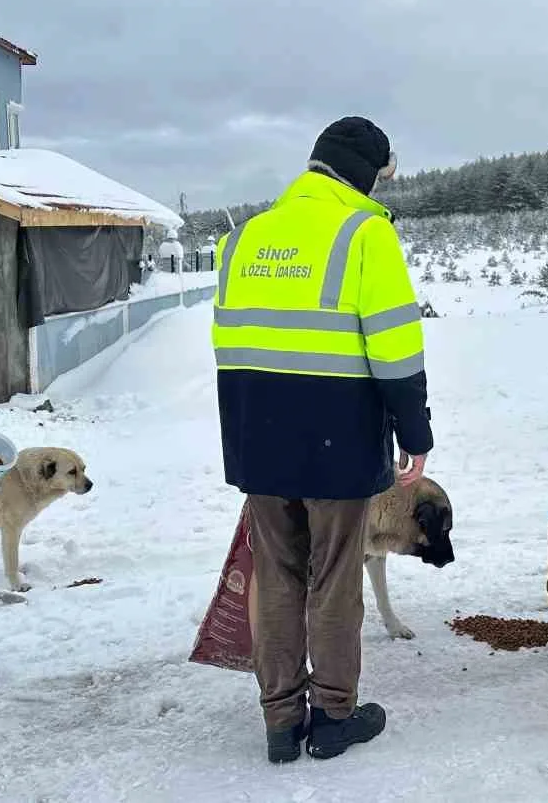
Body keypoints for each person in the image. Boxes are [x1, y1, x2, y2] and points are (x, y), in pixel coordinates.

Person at [211, 116, 433, 762]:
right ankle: (334, 716)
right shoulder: (364, 232)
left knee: (277, 576)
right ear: (365, 172)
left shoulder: (245, 236)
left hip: (258, 436)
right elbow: (395, 348)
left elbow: (231, 343)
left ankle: (281, 721)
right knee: (334, 578)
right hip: (337, 434)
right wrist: (414, 431)